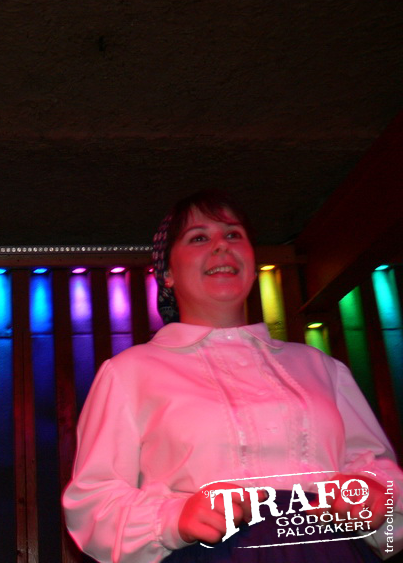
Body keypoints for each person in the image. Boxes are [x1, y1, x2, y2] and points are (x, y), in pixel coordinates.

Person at [62, 189, 402, 562]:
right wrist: (175, 518)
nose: (221, 246)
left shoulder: (321, 367)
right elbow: (94, 503)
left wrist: (373, 494)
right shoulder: (129, 372)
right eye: (199, 238)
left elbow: (380, 483)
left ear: (252, 264)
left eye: (233, 234)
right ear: (167, 273)